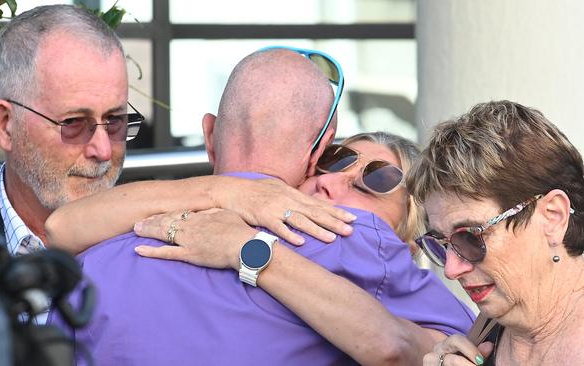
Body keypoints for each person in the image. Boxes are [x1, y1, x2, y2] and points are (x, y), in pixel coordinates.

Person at [48, 48, 473, 365]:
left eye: (378, 181)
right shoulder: (353, 244)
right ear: (314, 155)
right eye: (334, 159)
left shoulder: (99, 262)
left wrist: (246, 247)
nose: (332, 182)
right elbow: (474, 348)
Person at [0, 4, 352, 325]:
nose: (103, 150)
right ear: (5, 125)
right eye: (73, 124)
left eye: (116, 121)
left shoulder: (167, 238)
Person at [406, 100, 584, 365]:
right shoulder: (483, 335)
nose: (452, 270)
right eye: (442, 244)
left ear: (553, 217)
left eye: (470, 237)